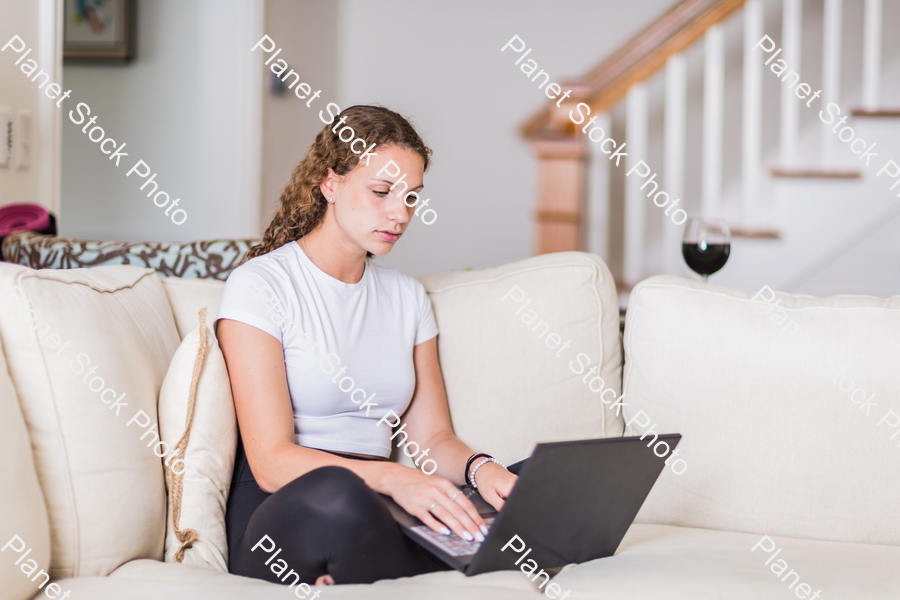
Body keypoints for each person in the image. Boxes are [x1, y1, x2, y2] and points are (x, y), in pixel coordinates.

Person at [216, 105, 518, 587]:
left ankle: (382, 565)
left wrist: (483, 471)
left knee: (528, 487)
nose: (400, 214)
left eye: (412, 197)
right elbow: (271, 461)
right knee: (341, 494)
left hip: (378, 505)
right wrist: (396, 479)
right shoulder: (261, 285)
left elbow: (432, 440)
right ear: (330, 184)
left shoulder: (405, 296)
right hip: (288, 504)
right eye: (381, 192)